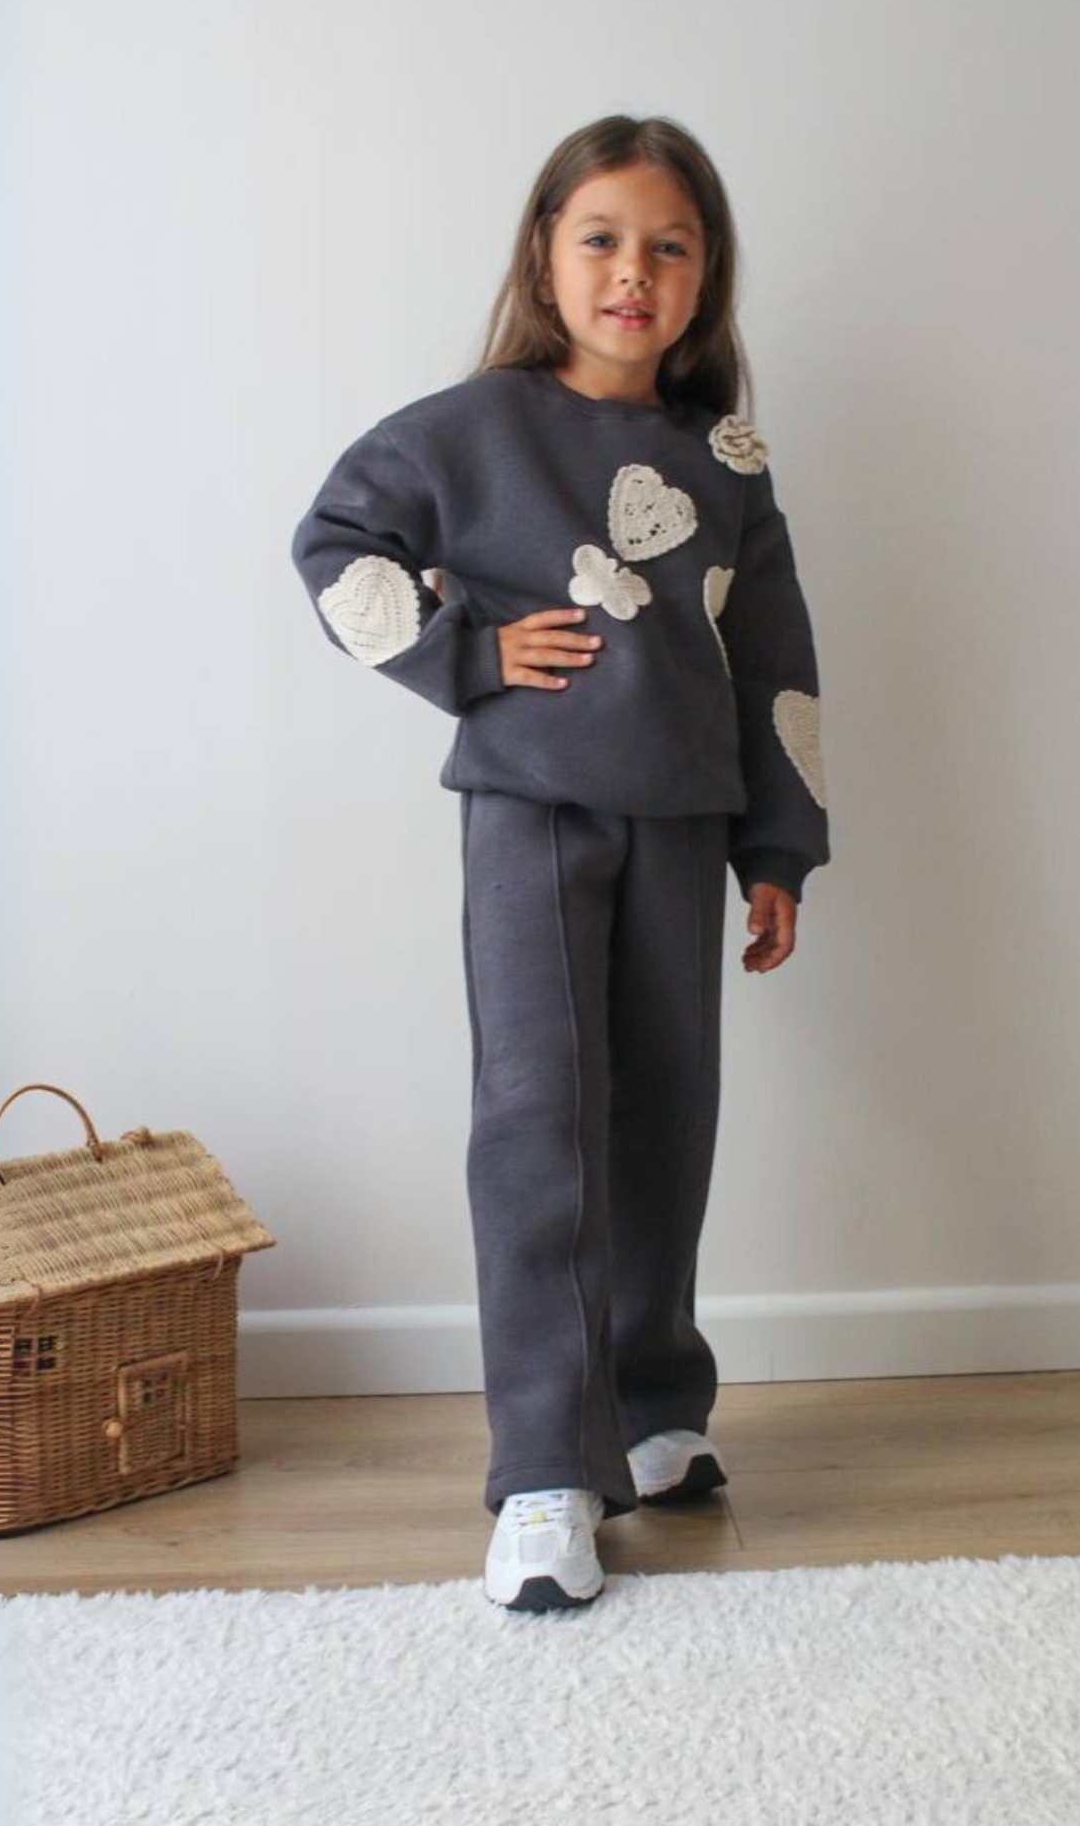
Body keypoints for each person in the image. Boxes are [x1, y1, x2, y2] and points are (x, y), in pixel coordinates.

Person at [290, 113, 829, 1612]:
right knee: (542, 1123)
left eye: (670, 246)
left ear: (706, 277)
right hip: (531, 812)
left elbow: (772, 653)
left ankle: (652, 1403)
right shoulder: (470, 430)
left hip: (685, 820)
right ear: (545, 257)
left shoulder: (724, 457)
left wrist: (778, 848)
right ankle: (544, 1468)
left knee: (666, 1116)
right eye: (602, 239)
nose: (633, 271)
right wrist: (464, 654)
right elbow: (333, 543)